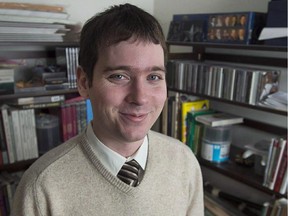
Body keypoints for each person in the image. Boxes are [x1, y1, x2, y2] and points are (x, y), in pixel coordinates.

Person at [11, 3, 204, 216]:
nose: (140, 97)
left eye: (153, 77)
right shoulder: (41, 189)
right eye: (119, 76)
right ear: (84, 82)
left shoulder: (184, 162)